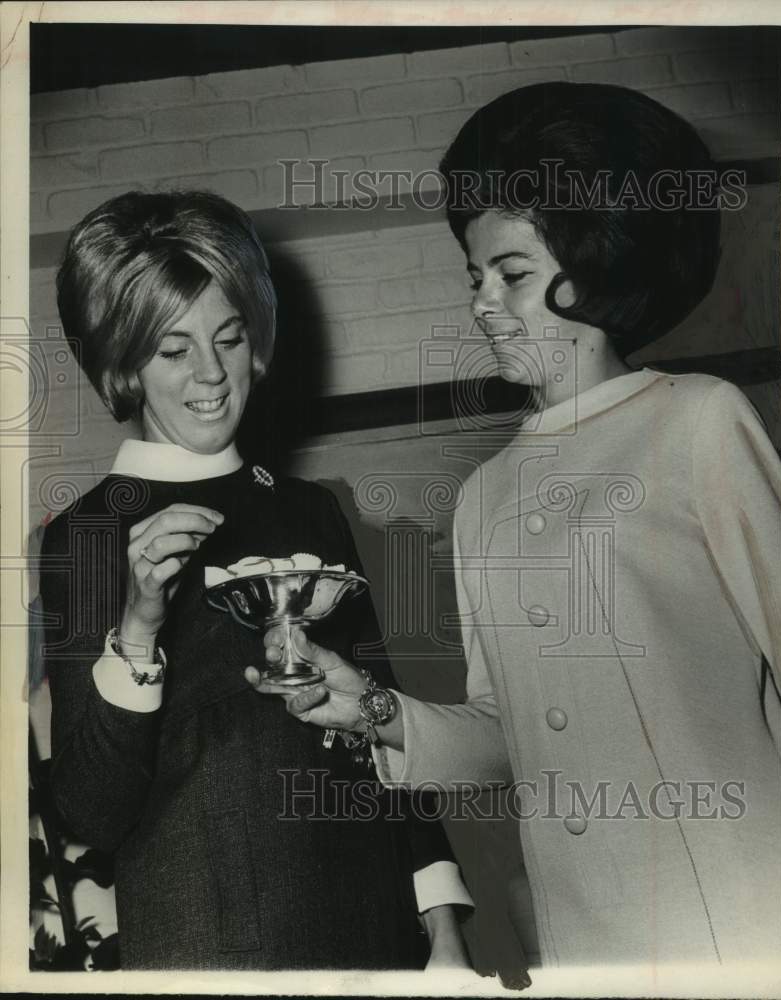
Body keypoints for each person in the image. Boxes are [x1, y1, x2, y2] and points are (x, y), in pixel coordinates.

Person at [264, 83, 781, 966]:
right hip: (588, 939)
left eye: (512, 273)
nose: (481, 303)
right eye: (475, 277)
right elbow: (509, 734)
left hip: (746, 912)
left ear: (595, 267)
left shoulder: (699, 420)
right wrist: (372, 707)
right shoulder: (485, 495)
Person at [39, 190, 472, 970]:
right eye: (174, 351)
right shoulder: (90, 534)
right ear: (122, 365)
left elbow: (381, 717)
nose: (211, 374)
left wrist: (442, 920)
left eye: (230, 338)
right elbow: (90, 812)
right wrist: (139, 626)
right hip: (213, 943)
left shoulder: (312, 512)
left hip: (376, 929)